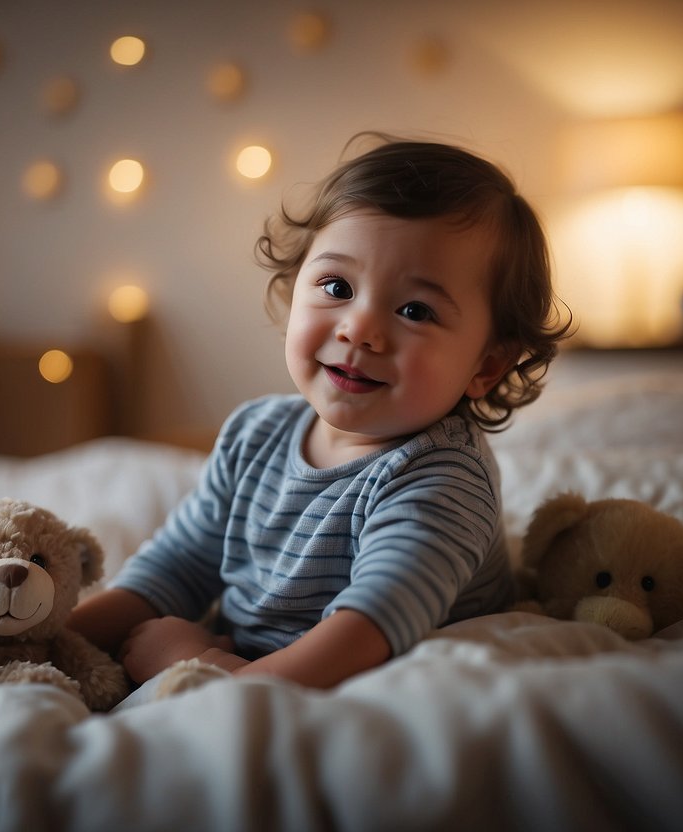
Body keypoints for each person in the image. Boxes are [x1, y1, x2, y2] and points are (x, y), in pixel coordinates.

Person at [68, 135, 570, 697]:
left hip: (332, 686)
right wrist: (51, 638)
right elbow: (178, 565)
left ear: (487, 365)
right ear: (294, 288)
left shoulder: (441, 478)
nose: (359, 329)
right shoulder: (255, 433)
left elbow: (367, 629)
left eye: (414, 310)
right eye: (337, 286)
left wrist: (200, 666)